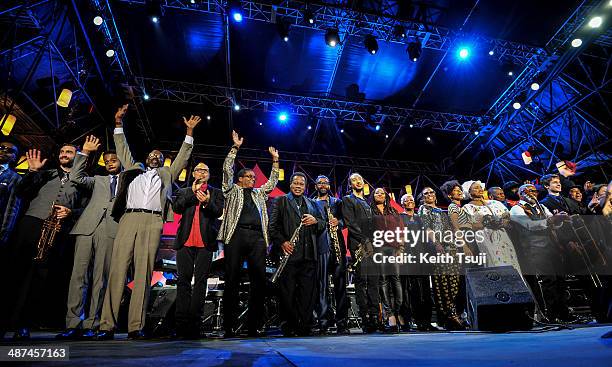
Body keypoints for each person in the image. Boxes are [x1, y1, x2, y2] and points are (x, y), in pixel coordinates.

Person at [97, 106, 200, 340]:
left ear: (163, 160)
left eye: (159, 155)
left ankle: (135, 326)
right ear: (145, 159)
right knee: (117, 271)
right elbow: (122, 148)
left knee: (144, 273)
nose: (155, 156)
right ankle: (106, 326)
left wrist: (189, 133)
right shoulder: (133, 171)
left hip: (153, 221)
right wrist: (118, 123)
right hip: (128, 218)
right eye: (152, 155)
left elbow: (183, 158)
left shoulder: (166, 174)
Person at [9, 143, 86, 339]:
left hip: (57, 231)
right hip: (32, 224)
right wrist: (32, 172)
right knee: (17, 271)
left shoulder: (82, 180)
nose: (63, 154)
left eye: (68, 152)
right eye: (61, 151)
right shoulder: (46, 173)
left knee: (39, 277)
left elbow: (84, 209)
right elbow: (21, 192)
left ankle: (24, 323)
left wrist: (71, 212)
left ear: (77, 157)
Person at [57, 136, 122, 340]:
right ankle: (72, 323)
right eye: (107, 160)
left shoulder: (130, 182)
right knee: (78, 276)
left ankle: (92, 324)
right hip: (86, 227)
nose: (110, 163)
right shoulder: (98, 179)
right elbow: (75, 176)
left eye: (114, 160)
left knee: (100, 279)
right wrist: (84, 153)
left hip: (110, 229)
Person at [217, 130, 279, 338]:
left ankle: (253, 325)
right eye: (249, 177)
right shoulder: (231, 190)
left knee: (258, 282)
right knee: (232, 280)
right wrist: (235, 148)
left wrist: (275, 161)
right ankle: (228, 326)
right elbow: (226, 169)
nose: (253, 179)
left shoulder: (259, 193)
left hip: (257, 239)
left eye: (254, 177)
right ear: (241, 178)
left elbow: (272, 183)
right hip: (235, 236)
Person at [172, 162, 223, 339]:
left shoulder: (215, 192)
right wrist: (193, 195)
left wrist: (207, 202)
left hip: (205, 242)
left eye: (205, 170)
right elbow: (176, 208)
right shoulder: (185, 190)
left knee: (201, 283)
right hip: (185, 242)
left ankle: (195, 325)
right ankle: (180, 326)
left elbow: (218, 212)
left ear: (209, 174)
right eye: (199, 170)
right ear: (193, 173)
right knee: (183, 282)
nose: (202, 173)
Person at [269, 172, 324, 336]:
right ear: (290, 185)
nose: (298, 186)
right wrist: (282, 242)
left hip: (309, 256)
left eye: (301, 184)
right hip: (289, 255)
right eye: (296, 183)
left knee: (307, 294)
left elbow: (323, 224)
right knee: (288, 293)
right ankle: (288, 326)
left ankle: (304, 326)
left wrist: (316, 221)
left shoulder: (313, 204)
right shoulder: (281, 200)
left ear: (305, 187)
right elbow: (272, 227)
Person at [510, 184, 570, 322]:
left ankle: (564, 314)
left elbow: (552, 222)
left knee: (560, 280)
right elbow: (530, 226)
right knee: (547, 282)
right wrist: (551, 220)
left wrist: (560, 219)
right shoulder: (516, 209)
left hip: (552, 246)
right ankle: (549, 315)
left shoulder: (541, 207)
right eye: (529, 191)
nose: (533, 193)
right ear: (520, 194)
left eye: (534, 191)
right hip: (534, 248)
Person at [417, 187, 465, 330]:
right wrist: (437, 244)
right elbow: (427, 228)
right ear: (422, 198)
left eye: (432, 192)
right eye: (426, 193)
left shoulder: (440, 210)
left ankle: (456, 314)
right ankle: (448, 317)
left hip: (452, 249)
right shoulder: (424, 209)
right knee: (443, 284)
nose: (430, 195)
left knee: (455, 283)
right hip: (439, 249)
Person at [342, 173, 380, 333]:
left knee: (373, 282)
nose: (358, 182)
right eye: (354, 180)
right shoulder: (348, 200)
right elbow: (351, 224)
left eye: (360, 179)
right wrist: (365, 241)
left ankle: (375, 317)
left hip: (372, 246)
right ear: (350, 184)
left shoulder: (367, 203)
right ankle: (365, 318)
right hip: (359, 245)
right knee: (361, 281)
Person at [313, 175, 349, 335]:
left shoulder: (337, 202)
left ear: (329, 186)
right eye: (319, 183)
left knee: (341, 286)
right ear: (315, 186)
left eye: (325, 182)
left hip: (338, 248)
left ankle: (342, 323)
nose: (322, 185)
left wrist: (339, 223)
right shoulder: (310, 202)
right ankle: (323, 322)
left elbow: (345, 220)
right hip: (321, 247)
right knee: (322, 286)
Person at [462, 180, 522, 273]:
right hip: (485, 237)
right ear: (469, 192)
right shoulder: (467, 208)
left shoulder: (494, 203)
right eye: (476, 188)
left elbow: (507, 216)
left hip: (502, 235)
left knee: (510, 260)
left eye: (480, 187)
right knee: (494, 261)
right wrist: (486, 222)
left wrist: (503, 222)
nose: (480, 189)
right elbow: (471, 225)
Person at [399, 193, 435, 331]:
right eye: (406, 200)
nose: (409, 201)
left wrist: (436, 245)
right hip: (408, 256)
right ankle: (412, 320)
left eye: (411, 199)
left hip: (422, 256)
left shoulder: (420, 218)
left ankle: (426, 321)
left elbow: (428, 233)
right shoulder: (400, 217)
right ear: (402, 203)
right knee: (411, 289)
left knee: (425, 289)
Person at [371, 187, 404, 332]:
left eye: (382, 193)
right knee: (383, 280)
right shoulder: (370, 211)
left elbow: (401, 230)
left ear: (386, 196)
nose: (379, 194)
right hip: (379, 249)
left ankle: (398, 311)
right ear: (373, 196)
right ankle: (389, 314)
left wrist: (401, 249)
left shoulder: (394, 212)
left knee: (396, 279)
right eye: (377, 192)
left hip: (394, 248)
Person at [0, 141, 21, 248]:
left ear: (14, 157)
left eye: (9, 150)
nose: (3, 151)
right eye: (1, 147)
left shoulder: (15, 178)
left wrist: (4, 232)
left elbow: (11, 207)